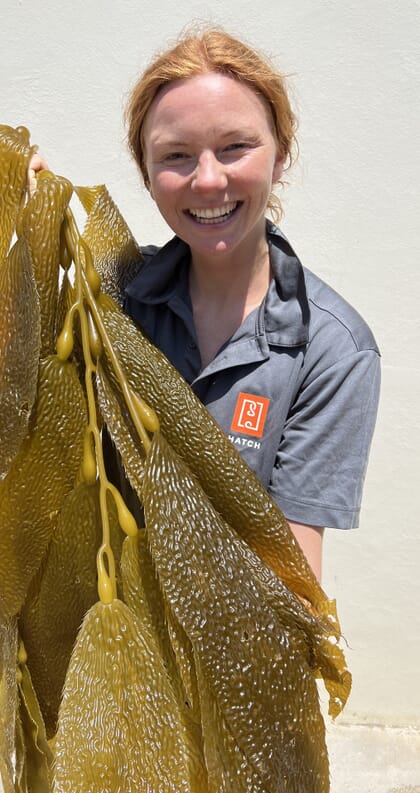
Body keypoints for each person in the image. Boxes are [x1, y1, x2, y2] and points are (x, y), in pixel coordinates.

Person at [31, 28, 380, 582]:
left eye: (236, 147)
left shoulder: (333, 350)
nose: (209, 179)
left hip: (226, 646)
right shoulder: (107, 294)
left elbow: (292, 571)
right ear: (146, 174)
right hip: (98, 632)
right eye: (177, 155)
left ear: (281, 154)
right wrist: (24, 224)